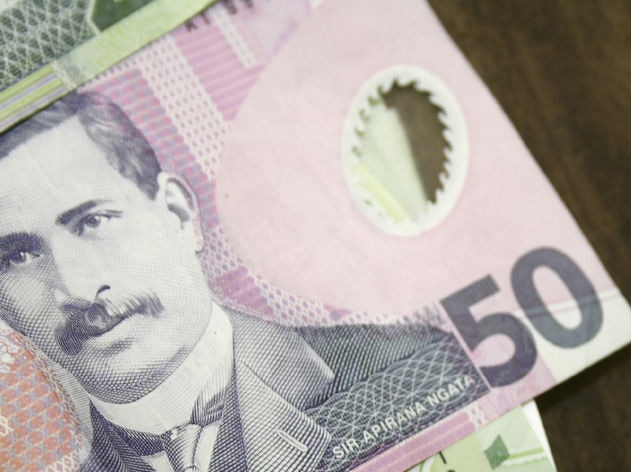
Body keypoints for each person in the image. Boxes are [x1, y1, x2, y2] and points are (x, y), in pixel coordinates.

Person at [0, 92, 485, 471]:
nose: (76, 288)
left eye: (93, 222)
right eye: (18, 256)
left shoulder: (408, 363)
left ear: (179, 213)